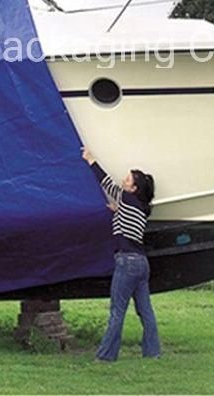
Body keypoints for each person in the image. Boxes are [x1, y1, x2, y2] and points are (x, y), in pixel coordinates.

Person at [82, 146, 161, 361]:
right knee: (145, 311)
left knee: (117, 311)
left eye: (127, 180)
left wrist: (91, 160)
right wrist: (118, 211)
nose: (123, 182)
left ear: (133, 188)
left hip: (126, 262)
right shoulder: (142, 208)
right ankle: (153, 353)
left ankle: (106, 356)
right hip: (142, 264)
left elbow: (106, 183)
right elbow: (128, 219)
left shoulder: (126, 198)